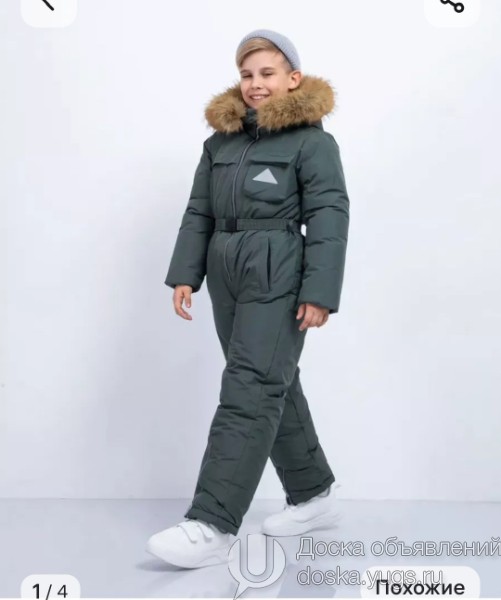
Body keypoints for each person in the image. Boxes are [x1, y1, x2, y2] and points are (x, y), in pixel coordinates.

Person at [146, 29, 350, 569]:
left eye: (267, 73)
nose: (255, 84)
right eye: (246, 74)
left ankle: (212, 522)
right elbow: (199, 211)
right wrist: (186, 275)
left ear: (293, 78)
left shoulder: (313, 144)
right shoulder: (221, 142)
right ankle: (314, 494)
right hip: (226, 271)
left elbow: (329, 217)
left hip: (277, 268)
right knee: (270, 379)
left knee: (250, 387)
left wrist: (319, 292)